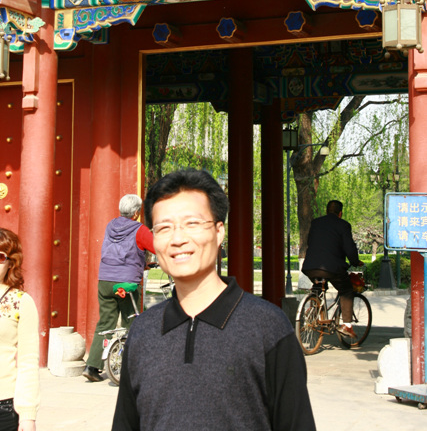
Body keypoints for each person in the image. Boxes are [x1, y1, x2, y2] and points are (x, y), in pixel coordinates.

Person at [112, 169, 316, 430]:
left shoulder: (268, 327)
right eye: (164, 228)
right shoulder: (143, 331)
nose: (177, 239)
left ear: (219, 232)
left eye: (192, 224)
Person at [83, 194, 156, 382]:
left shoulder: (110, 226)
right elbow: (157, 247)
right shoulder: (140, 230)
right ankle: (129, 367)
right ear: (137, 212)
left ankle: (92, 366)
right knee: (131, 322)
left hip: (105, 280)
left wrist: (141, 264)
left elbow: (118, 251)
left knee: (105, 322)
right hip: (127, 283)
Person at [302, 200, 363, 338]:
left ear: (326, 211)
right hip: (332, 268)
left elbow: (310, 242)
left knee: (318, 284)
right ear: (340, 213)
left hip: (310, 266)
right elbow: (349, 248)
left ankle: (313, 310)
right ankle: (347, 326)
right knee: (346, 290)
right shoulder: (343, 225)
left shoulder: (316, 223)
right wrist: (355, 261)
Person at [0, 228, 40, 431]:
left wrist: (27, 414)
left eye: (0, 257)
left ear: (10, 262)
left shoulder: (21, 302)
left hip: (3, 404)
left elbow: (28, 361)